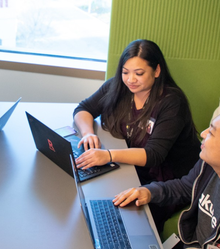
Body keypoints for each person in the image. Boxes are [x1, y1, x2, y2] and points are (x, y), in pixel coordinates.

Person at [113, 101, 220, 249]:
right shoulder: (214, 162)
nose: (203, 134)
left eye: (211, 132)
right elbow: (186, 186)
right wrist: (149, 192)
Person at [73, 39, 201, 231]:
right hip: (133, 168)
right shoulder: (118, 87)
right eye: (125, 72)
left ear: (157, 71)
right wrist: (88, 133)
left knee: (121, 219)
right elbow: (84, 109)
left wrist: (108, 156)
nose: (130, 79)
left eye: (139, 73)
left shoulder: (172, 102)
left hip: (168, 181)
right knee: (89, 197)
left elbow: (154, 155)